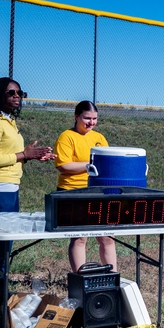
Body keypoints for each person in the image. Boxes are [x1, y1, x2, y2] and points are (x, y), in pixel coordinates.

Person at [0, 77, 55, 306]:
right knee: (0, 244)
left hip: (10, 186)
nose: (17, 97)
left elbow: (9, 156)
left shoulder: (8, 121)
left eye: (20, 93)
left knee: (2, 243)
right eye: (11, 93)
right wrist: (24, 155)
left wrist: (31, 156)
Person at [54, 101, 117, 272]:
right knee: (80, 238)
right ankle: (80, 279)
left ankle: (112, 277)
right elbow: (63, 166)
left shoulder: (99, 138)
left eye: (95, 119)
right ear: (76, 117)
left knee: (107, 238)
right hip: (73, 192)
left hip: (98, 192)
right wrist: (90, 165)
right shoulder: (66, 137)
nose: (91, 122)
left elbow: (108, 163)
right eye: (87, 118)